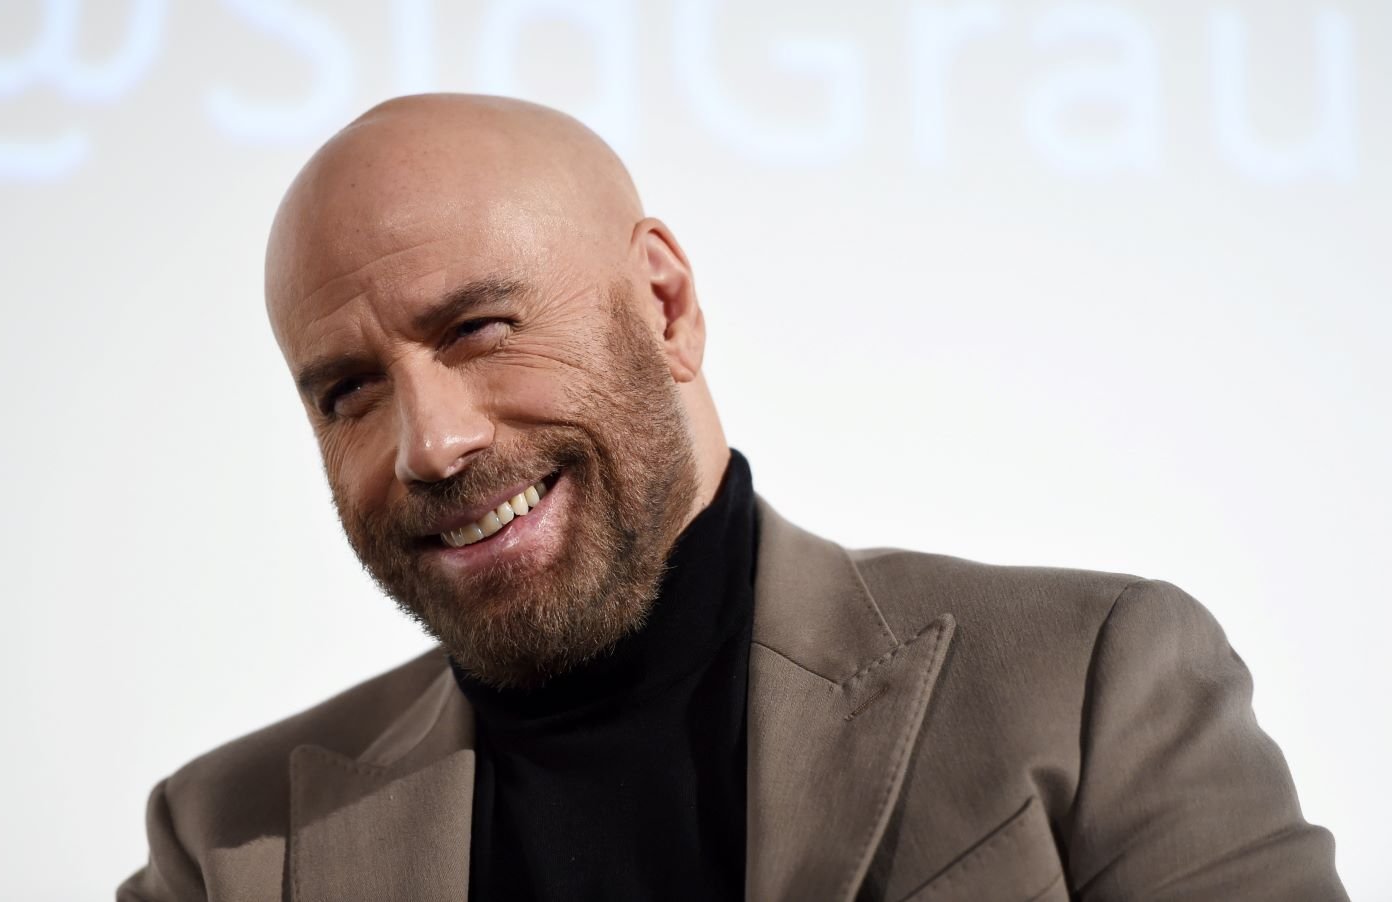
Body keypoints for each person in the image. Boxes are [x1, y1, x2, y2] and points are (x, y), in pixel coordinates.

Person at [118, 94, 1346, 902]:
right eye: (347, 391)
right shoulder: (224, 844)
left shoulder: (1086, 682)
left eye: (480, 327)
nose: (430, 443)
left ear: (663, 305)